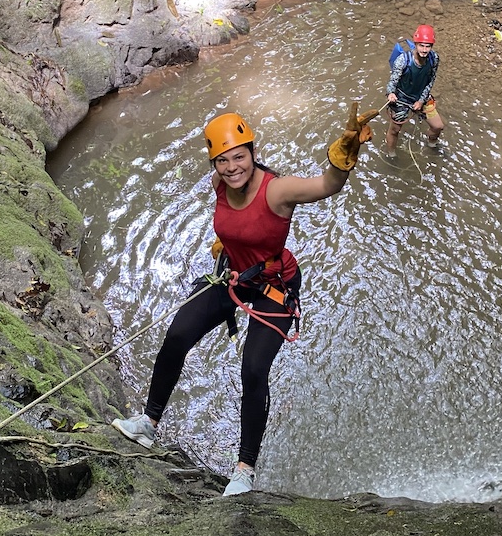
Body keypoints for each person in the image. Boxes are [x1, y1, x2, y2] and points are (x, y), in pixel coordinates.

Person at [111, 103, 378, 496]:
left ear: (253, 152)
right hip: (232, 274)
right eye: (223, 160)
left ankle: (244, 469)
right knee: (177, 335)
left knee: (253, 371)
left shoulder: (277, 191)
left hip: (274, 285)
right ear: (214, 163)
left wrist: (342, 158)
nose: (232, 166)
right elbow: (232, 223)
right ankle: (149, 424)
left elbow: (326, 185)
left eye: (239, 156)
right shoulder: (220, 184)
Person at [385, 24, 444, 154]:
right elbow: (392, 82)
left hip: (421, 97)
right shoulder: (403, 60)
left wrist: (421, 101)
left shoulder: (434, 59)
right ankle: (391, 154)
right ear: (416, 44)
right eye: (421, 45)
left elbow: (431, 80)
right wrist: (390, 94)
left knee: (438, 126)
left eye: (428, 46)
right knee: (394, 130)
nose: (424, 50)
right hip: (401, 99)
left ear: (431, 47)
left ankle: (432, 144)